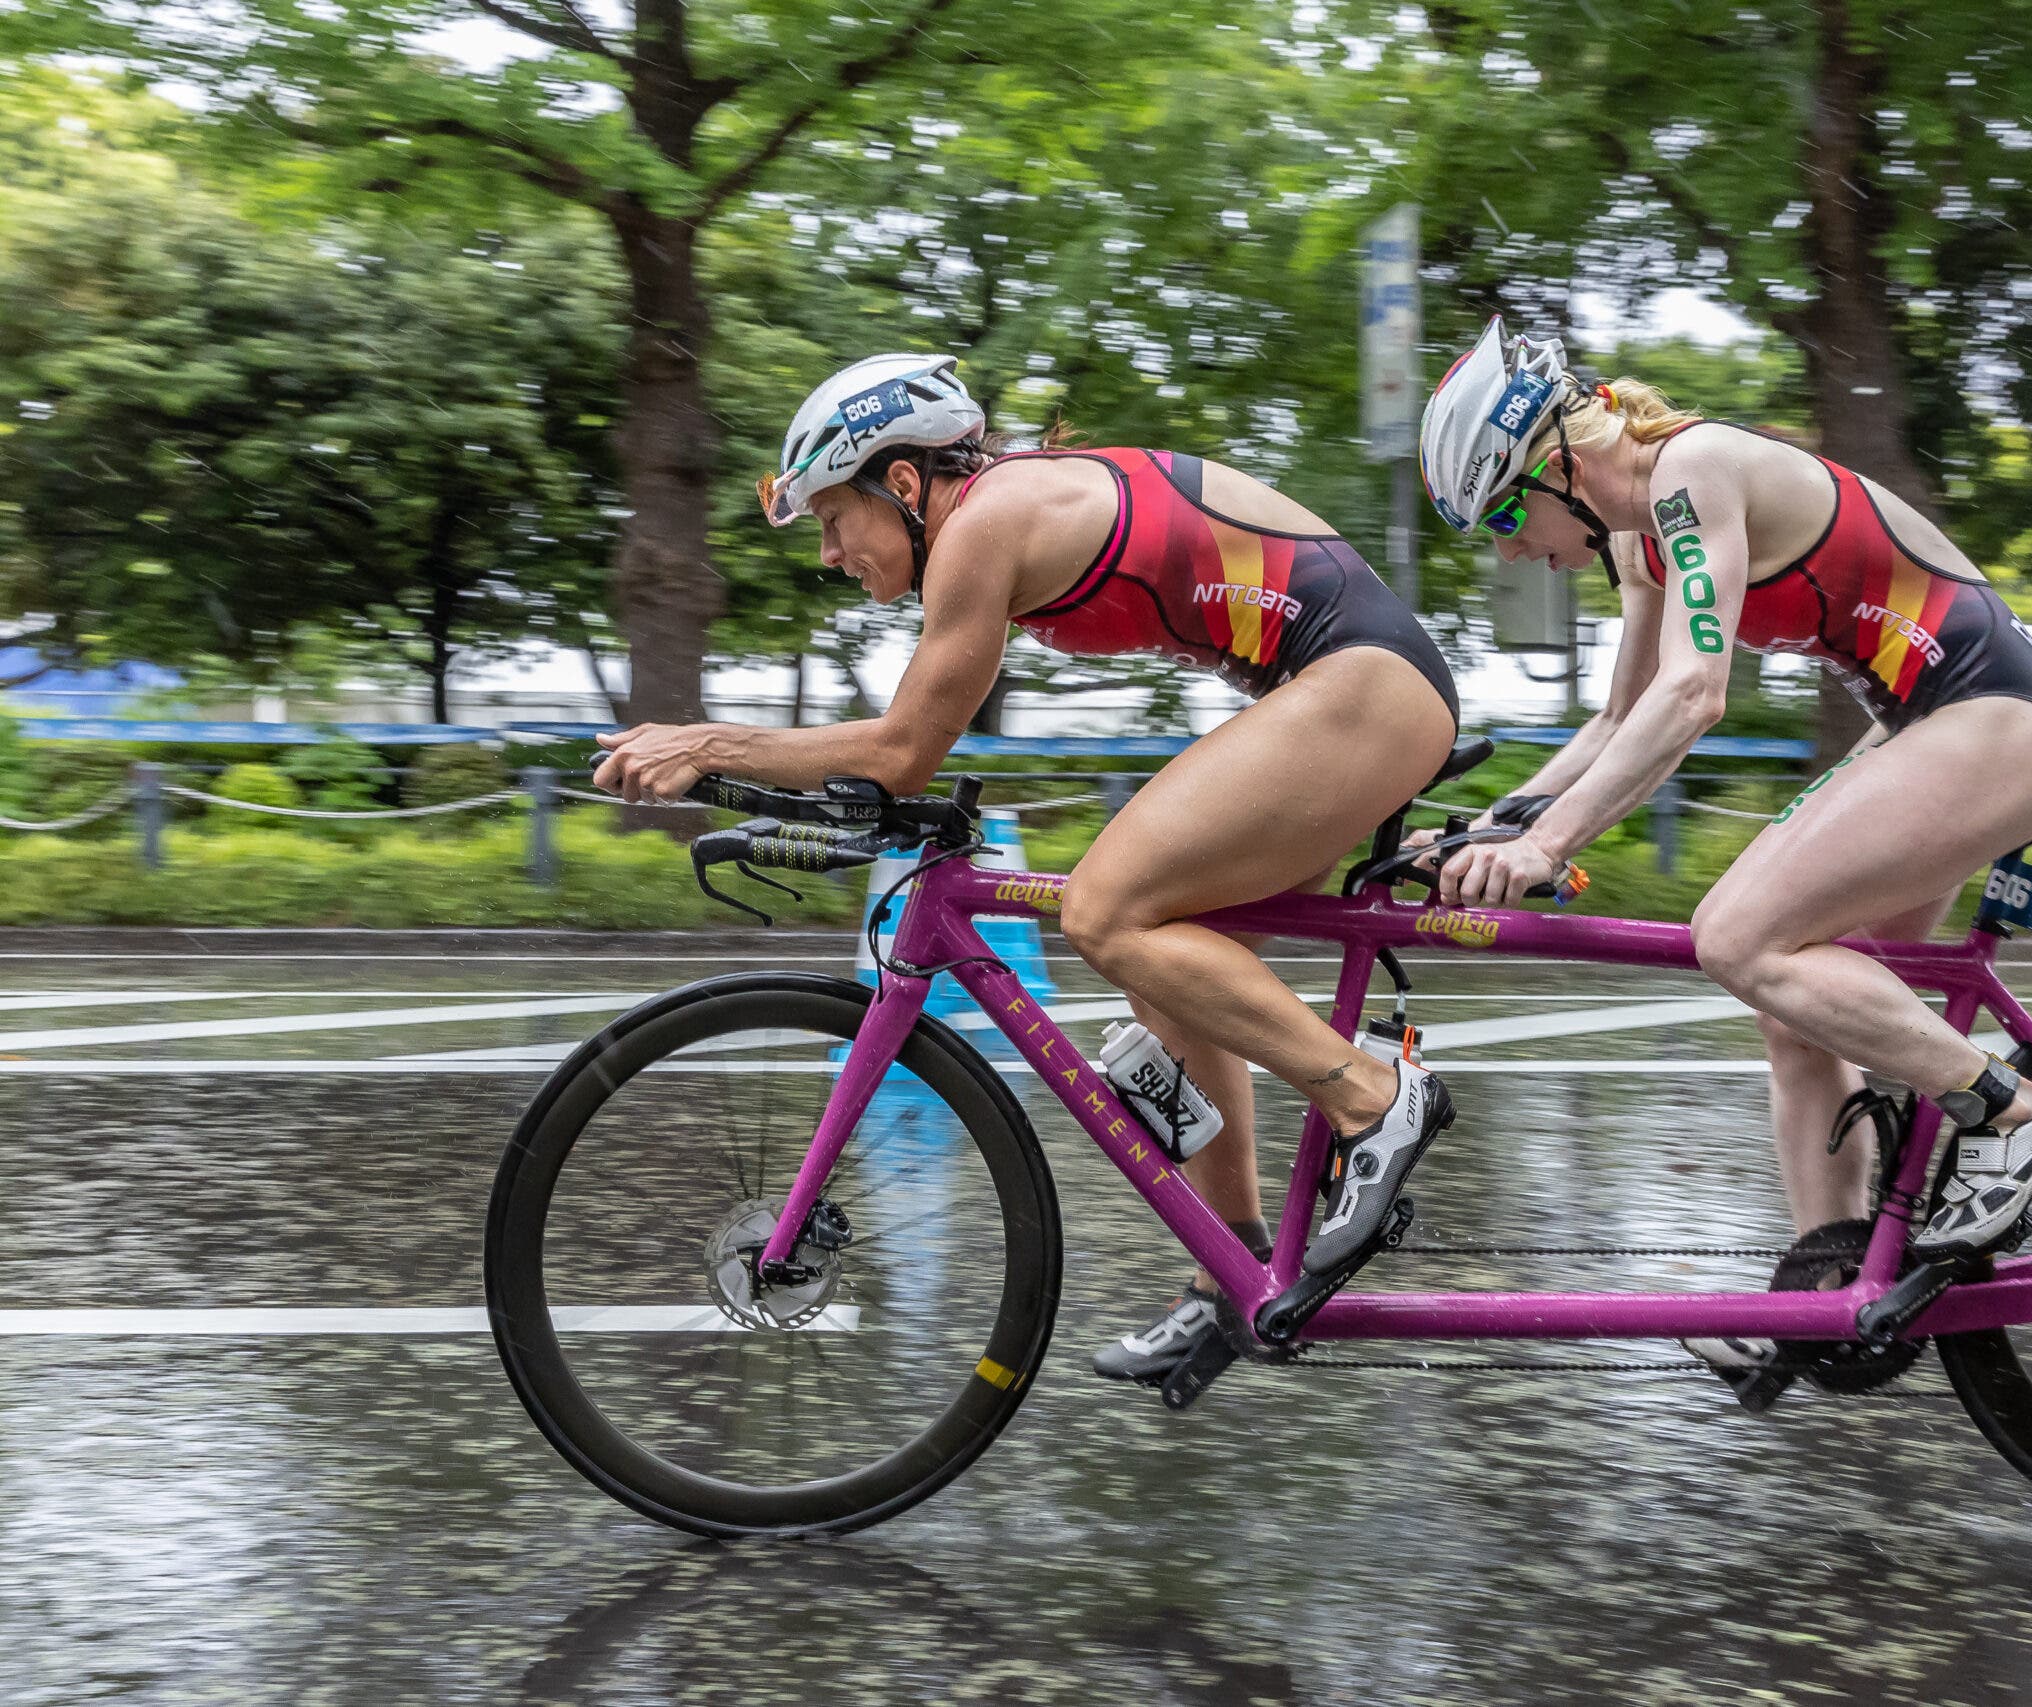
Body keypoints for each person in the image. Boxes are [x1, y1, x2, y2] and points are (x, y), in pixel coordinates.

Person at [593, 353, 1462, 1384]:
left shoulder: (985, 524)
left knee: (1104, 909)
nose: (828, 551)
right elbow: (908, 751)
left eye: (834, 518)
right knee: (1170, 971)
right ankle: (1229, 1277)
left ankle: (1373, 1096)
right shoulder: (1001, 516)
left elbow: (903, 750)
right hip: (1344, 688)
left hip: (1361, 685)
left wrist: (709, 745)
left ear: (904, 486)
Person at [1416, 318, 2032, 1379]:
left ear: (1557, 460)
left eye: (1505, 511)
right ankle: (1832, 1295)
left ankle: (2011, 1111)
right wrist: (1492, 826)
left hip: (1994, 716)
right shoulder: (1638, 538)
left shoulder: (1691, 474)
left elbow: (1694, 692)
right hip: (1927, 722)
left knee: (1733, 937)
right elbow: (1618, 719)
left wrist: (1552, 845)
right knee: (1793, 1007)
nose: (1509, 548)